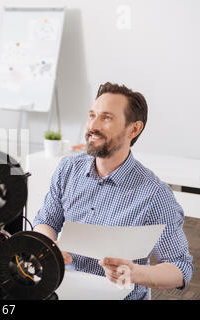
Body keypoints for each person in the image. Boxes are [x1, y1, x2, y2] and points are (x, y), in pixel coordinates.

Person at [33, 82, 193, 300]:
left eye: (106, 118)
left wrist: (136, 273)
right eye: (92, 115)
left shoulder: (154, 194)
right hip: (63, 292)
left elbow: (180, 269)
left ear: (134, 129)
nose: (92, 126)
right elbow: (46, 221)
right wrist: (49, 247)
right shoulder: (68, 169)